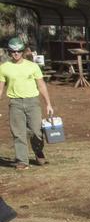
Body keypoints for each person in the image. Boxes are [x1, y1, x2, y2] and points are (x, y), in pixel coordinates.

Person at [1, 37, 54, 170]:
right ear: (9, 52)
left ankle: (38, 151)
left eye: (19, 51)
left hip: (32, 102)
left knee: (36, 131)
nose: (16, 53)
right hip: (15, 103)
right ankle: (22, 161)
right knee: (18, 133)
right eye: (13, 51)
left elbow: (41, 86)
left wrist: (48, 104)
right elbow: (0, 88)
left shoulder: (32, 66)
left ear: (23, 51)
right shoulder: (4, 68)